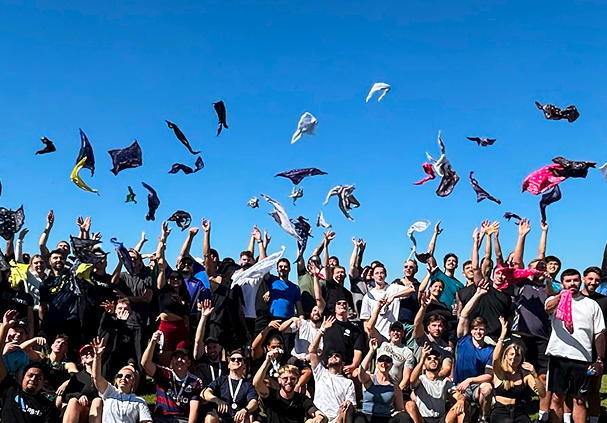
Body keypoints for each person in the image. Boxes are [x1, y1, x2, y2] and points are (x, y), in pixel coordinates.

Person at [544, 268, 605, 423]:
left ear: (581, 281)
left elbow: (599, 334)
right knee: (557, 398)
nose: (572, 284)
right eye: (568, 281)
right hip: (559, 356)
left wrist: (599, 359)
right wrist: (560, 296)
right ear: (563, 283)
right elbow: (548, 308)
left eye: (575, 280)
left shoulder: (592, 305)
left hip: (583, 357)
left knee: (579, 399)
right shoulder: (555, 301)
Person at [0, 309, 60, 423]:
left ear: (43, 383)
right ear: (24, 377)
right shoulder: (11, 390)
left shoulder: (47, 406)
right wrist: (5, 327)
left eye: (38, 378)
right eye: (30, 375)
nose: (33, 379)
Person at [491, 316, 545, 423]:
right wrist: (502, 335)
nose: (514, 358)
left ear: (522, 358)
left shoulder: (525, 375)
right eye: (511, 354)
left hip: (519, 411)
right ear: (506, 356)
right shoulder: (500, 372)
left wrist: (534, 374)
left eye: (517, 355)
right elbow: (495, 358)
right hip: (501, 412)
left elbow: (542, 393)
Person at [142, 330, 203, 423]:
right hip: (162, 417)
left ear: (189, 363)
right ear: (171, 363)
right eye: (176, 357)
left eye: (183, 358)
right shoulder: (163, 373)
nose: (179, 360)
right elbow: (145, 364)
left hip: (183, 419)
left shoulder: (195, 382)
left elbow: (194, 408)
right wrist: (153, 342)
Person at [454, 281, 494, 423]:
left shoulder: (490, 350)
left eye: (481, 329)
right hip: (457, 386)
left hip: (475, 385)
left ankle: (483, 417)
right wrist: (477, 294)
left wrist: (470, 380)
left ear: (486, 331)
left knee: (487, 388)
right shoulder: (464, 340)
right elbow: (464, 315)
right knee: (461, 413)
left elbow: (489, 376)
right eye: (475, 329)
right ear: (471, 330)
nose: (478, 332)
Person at [254, 350, 326, 423]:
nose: (289, 381)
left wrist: (319, 417)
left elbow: (315, 411)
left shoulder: (302, 399)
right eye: (285, 378)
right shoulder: (272, 396)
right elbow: (256, 383)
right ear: (279, 380)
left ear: (297, 380)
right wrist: (267, 362)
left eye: (292, 379)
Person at [91, 337, 152, 423]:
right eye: (120, 376)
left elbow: (147, 421)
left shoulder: (139, 401)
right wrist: (97, 357)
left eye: (128, 376)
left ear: (133, 382)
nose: (123, 378)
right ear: (116, 380)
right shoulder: (109, 392)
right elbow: (96, 377)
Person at [308, 316, 356, 423]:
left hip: (338, 418)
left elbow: (352, 404)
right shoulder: (320, 372)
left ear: (343, 363)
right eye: (330, 356)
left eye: (337, 355)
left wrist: (348, 403)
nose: (333, 357)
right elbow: (312, 350)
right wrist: (322, 330)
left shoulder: (348, 383)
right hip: (320, 416)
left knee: (346, 409)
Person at [406, 343, 465, 423]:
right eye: (429, 358)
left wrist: (461, 400)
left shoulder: (445, 382)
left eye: (435, 358)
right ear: (423, 365)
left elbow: (458, 395)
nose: (433, 360)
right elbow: (412, 380)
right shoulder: (420, 380)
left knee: (460, 407)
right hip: (422, 419)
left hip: (441, 419)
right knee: (409, 404)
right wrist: (422, 359)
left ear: (439, 364)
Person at [355, 338, 409, 423]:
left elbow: (400, 409)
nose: (384, 363)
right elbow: (361, 371)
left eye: (387, 361)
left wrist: (397, 413)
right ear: (377, 363)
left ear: (391, 365)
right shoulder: (369, 379)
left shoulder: (394, 387)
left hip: (384, 418)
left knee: (404, 417)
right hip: (367, 416)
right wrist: (371, 351)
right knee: (359, 417)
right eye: (381, 360)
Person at [39, 249, 83, 351]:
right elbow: (43, 306)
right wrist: (41, 327)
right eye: (55, 258)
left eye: (61, 258)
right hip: (53, 322)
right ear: (49, 261)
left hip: (72, 321)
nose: (58, 260)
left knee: (73, 351)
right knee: (53, 351)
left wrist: (85, 235)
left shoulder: (72, 275)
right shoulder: (45, 284)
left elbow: (81, 257)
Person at [202, 349, 259, 423]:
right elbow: (206, 392)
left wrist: (245, 410)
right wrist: (217, 400)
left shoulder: (248, 385)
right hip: (222, 418)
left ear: (244, 365)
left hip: (239, 419)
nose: (236, 361)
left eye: (239, 359)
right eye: (232, 359)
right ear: (228, 365)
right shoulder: (221, 380)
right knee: (210, 417)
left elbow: (253, 402)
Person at [581, 266, 607, 423]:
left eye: (597, 280)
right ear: (584, 279)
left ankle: (595, 420)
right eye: (590, 279)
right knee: (575, 390)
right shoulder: (574, 298)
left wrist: (600, 356)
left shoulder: (604, 301)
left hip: (596, 351)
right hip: (576, 350)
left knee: (593, 388)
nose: (593, 282)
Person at [360, 264, 411, 342]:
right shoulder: (368, 296)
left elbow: (411, 290)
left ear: (385, 275)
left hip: (393, 335)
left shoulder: (393, 288)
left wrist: (394, 296)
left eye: (382, 273)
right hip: (376, 335)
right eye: (377, 273)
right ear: (373, 276)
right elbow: (365, 320)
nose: (380, 275)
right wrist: (368, 337)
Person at [412, 291, 453, 378]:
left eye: (440, 326)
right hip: (417, 379)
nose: (437, 329)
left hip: (435, 380)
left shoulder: (446, 348)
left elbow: (447, 369)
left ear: (444, 328)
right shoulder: (422, 338)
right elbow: (417, 324)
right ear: (428, 328)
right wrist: (423, 307)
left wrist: (432, 377)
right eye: (434, 325)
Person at [97, 298, 140, 380]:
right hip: (104, 362)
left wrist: (131, 364)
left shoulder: (130, 330)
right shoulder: (108, 323)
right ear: (115, 310)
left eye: (126, 309)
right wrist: (109, 313)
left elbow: (131, 350)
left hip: (120, 364)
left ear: (130, 312)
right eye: (120, 308)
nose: (122, 311)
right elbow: (107, 324)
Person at [62, 343, 102, 423]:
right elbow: (65, 395)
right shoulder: (78, 377)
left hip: (100, 410)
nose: (88, 354)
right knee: (73, 401)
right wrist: (79, 396)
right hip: (82, 410)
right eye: (85, 353)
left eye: (91, 351)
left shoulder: (104, 373)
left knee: (97, 401)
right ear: (82, 359)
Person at [193, 300, 227, 387]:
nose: (212, 350)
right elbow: (198, 340)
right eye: (209, 347)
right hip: (203, 397)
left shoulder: (225, 367)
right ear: (205, 349)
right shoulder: (201, 362)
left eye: (214, 347)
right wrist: (204, 317)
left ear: (220, 347)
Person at [376, 321, 415, 392]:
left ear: (403, 333)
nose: (395, 333)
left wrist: (396, 393)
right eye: (393, 330)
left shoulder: (407, 352)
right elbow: (370, 327)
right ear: (389, 333)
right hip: (377, 383)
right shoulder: (382, 344)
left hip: (393, 387)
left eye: (398, 331)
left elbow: (406, 377)